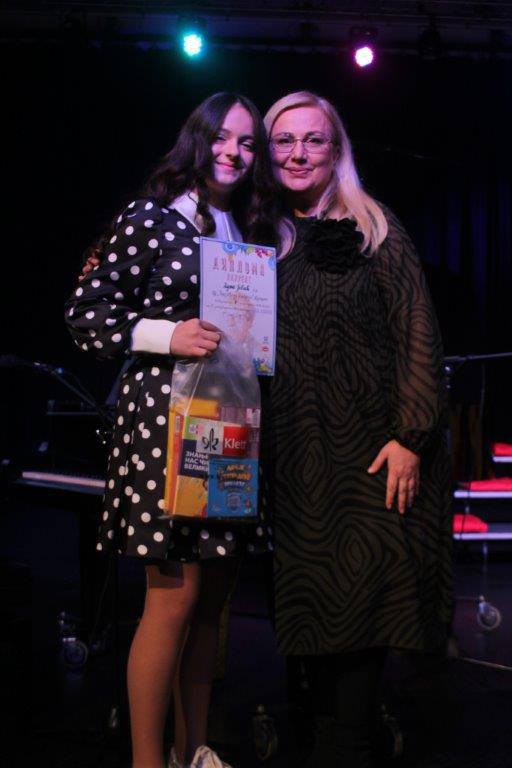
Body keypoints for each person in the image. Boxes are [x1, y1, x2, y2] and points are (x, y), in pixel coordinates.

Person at [65, 92, 280, 768]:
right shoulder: (151, 218)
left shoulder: (244, 232)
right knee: (174, 597)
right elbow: (86, 315)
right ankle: (146, 760)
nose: (234, 152)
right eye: (223, 137)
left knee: (211, 602)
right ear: (198, 138)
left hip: (229, 416)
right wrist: (167, 335)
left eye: (248, 143)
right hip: (165, 418)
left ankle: (195, 750)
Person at [261, 91, 452, 767]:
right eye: (284, 140)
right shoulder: (260, 236)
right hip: (297, 463)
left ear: (336, 149)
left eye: (313, 140)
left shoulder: (375, 227)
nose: (298, 153)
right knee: (314, 630)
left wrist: (411, 437)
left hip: (372, 459)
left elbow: (418, 333)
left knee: (361, 625)